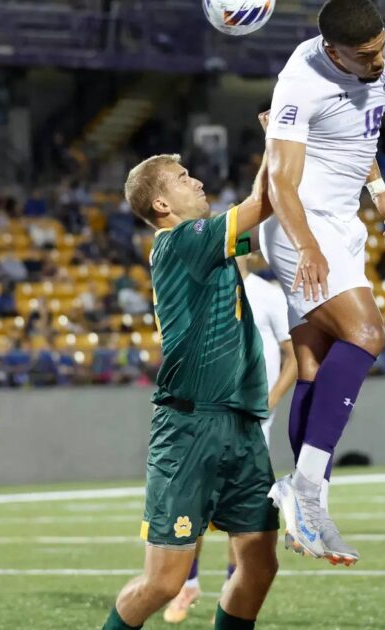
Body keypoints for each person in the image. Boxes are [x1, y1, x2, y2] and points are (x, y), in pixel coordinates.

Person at [105, 138, 279, 630]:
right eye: (183, 179)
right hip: (189, 426)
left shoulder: (208, 245)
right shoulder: (183, 240)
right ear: (161, 204)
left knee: (260, 565)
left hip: (241, 423)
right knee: (163, 582)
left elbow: (259, 218)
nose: (197, 181)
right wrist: (277, 137)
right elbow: (261, 203)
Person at [261, 0, 385, 564]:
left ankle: (302, 502)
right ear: (332, 51)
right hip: (302, 225)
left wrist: (379, 187)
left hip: (343, 219)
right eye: (365, 55)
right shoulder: (299, 83)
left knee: (315, 364)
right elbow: (280, 184)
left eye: (380, 47)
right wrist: (306, 246)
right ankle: (307, 491)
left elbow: (359, 131)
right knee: (367, 334)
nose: (378, 61)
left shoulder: (380, 55)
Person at [163, 253, 297, 624]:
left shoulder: (269, 295)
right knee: (197, 506)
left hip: (252, 423)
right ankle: (187, 584)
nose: (255, 248)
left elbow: (293, 357)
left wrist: (269, 402)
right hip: (207, 419)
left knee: (241, 513)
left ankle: (229, 590)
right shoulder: (202, 292)